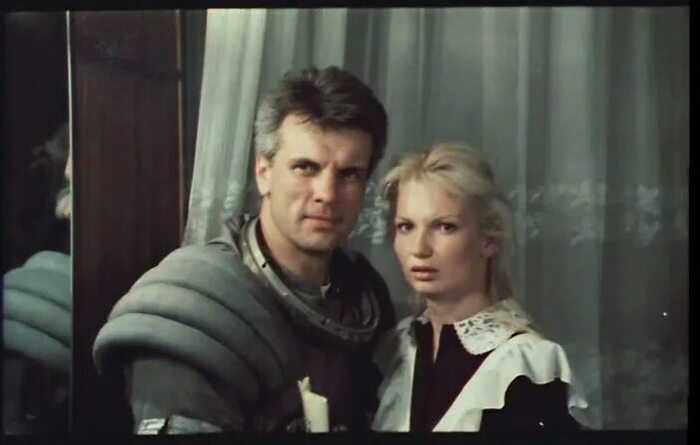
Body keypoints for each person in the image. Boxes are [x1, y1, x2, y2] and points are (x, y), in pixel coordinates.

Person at [92, 66, 396, 433]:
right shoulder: (199, 310)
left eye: (349, 174)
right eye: (305, 168)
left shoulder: (364, 299)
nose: (327, 194)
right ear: (264, 173)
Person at [371, 143, 589, 432]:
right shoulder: (398, 348)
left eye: (445, 227)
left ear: (489, 240)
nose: (419, 248)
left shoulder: (527, 365)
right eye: (406, 227)